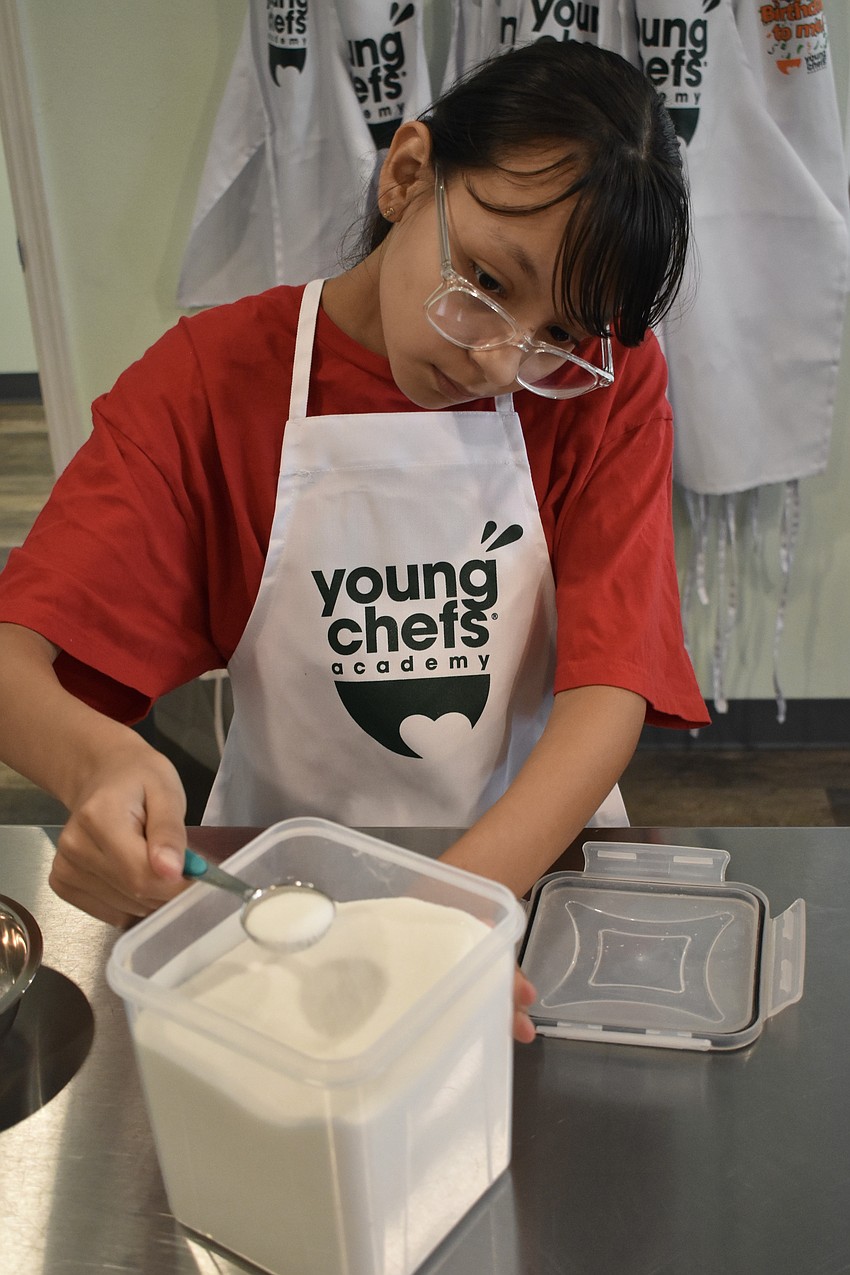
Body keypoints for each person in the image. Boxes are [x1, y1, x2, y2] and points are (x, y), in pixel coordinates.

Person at [0, 41, 708, 1041]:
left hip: (523, 881)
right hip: (279, 895)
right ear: (407, 173)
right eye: (490, 285)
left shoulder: (610, 382)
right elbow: (16, 661)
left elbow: (608, 691)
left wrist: (447, 920)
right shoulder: (213, 382)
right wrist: (95, 769)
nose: (503, 361)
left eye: (559, 337)